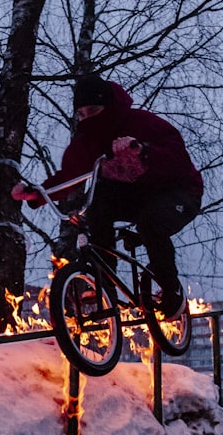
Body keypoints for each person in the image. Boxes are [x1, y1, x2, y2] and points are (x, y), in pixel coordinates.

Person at [12, 74, 203, 319]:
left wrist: (142, 150)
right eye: (81, 114)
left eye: (93, 110)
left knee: (151, 224)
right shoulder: (87, 142)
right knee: (97, 208)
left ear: (108, 107)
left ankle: (171, 290)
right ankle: (105, 287)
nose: (88, 119)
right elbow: (70, 176)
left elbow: (177, 157)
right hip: (136, 196)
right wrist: (36, 193)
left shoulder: (142, 123)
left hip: (179, 192)